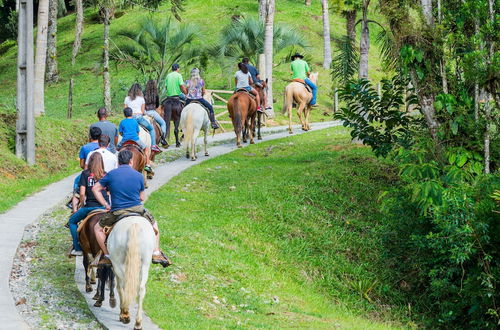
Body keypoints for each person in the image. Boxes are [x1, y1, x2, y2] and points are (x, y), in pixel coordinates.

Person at [92, 150, 170, 267]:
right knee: (154, 224)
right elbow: (142, 197)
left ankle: (107, 255)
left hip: (117, 211)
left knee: (97, 228)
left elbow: (95, 189)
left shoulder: (111, 174)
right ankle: (156, 252)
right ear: (131, 161)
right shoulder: (138, 175)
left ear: (118, 162)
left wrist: (106, 205)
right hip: (137, 209)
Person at [68, 152, 109, 256]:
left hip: (89, 207)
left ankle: (77, 248)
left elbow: (82, 193)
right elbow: (109, 192)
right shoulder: (106, 174)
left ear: (90, 161)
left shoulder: (85, 174)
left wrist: (82, 204)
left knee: (72, 221)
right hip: (104, 207)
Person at [124, 83, 161, 153]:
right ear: (139, 91)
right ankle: (153, 145)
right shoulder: (141, 99)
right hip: (139, 118)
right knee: (151, 129)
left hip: (129, 118)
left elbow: (125, 110)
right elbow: (143, 111)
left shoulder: (126, 98)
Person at [117, 107, 153, 173]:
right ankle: (147, 165)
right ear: (132, 114)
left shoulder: (122, 122)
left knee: (116, 150)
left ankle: (116, 165)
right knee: (146, 148)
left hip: (125, 140)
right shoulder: (135, 121)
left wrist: (124, 135)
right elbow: (138, 132)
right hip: (135, 139)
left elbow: (120, 133)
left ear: (124, 114)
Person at [144, 80, 168, 146]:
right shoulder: (155, 94)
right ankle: (162, 139)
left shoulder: (144, 93)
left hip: (145, 112)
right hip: (152, 112)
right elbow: (157, 105)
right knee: (163, 123)